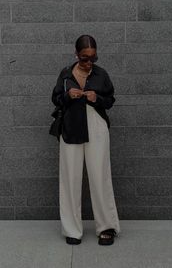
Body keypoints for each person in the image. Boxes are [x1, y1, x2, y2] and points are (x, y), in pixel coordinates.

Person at [51, 34, 121, 246]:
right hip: (71, 126)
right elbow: (55, 98)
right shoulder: (65, 74)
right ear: (76, 55)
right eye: (84, 58)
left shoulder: (101, 75)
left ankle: (106, 227)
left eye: (93, 58)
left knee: (100, 176)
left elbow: (109, 100)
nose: (89, 62)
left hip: (96, 125)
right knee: (70, 178)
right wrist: (67, 96)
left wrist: (96, 98)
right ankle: (72, 229)